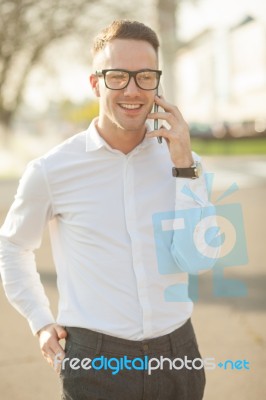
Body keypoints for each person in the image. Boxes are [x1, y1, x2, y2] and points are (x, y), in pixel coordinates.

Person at [0, 20, 218, 400]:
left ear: (158, 84)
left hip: (178, 355)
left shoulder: (186, 162)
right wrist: (40, 321)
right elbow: (13, 246)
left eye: (145, 76)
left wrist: (184, 166)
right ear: (95, 83)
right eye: (118, 76)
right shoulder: (51, 170)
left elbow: (198, 260)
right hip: (96, 363)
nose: (132, 90)